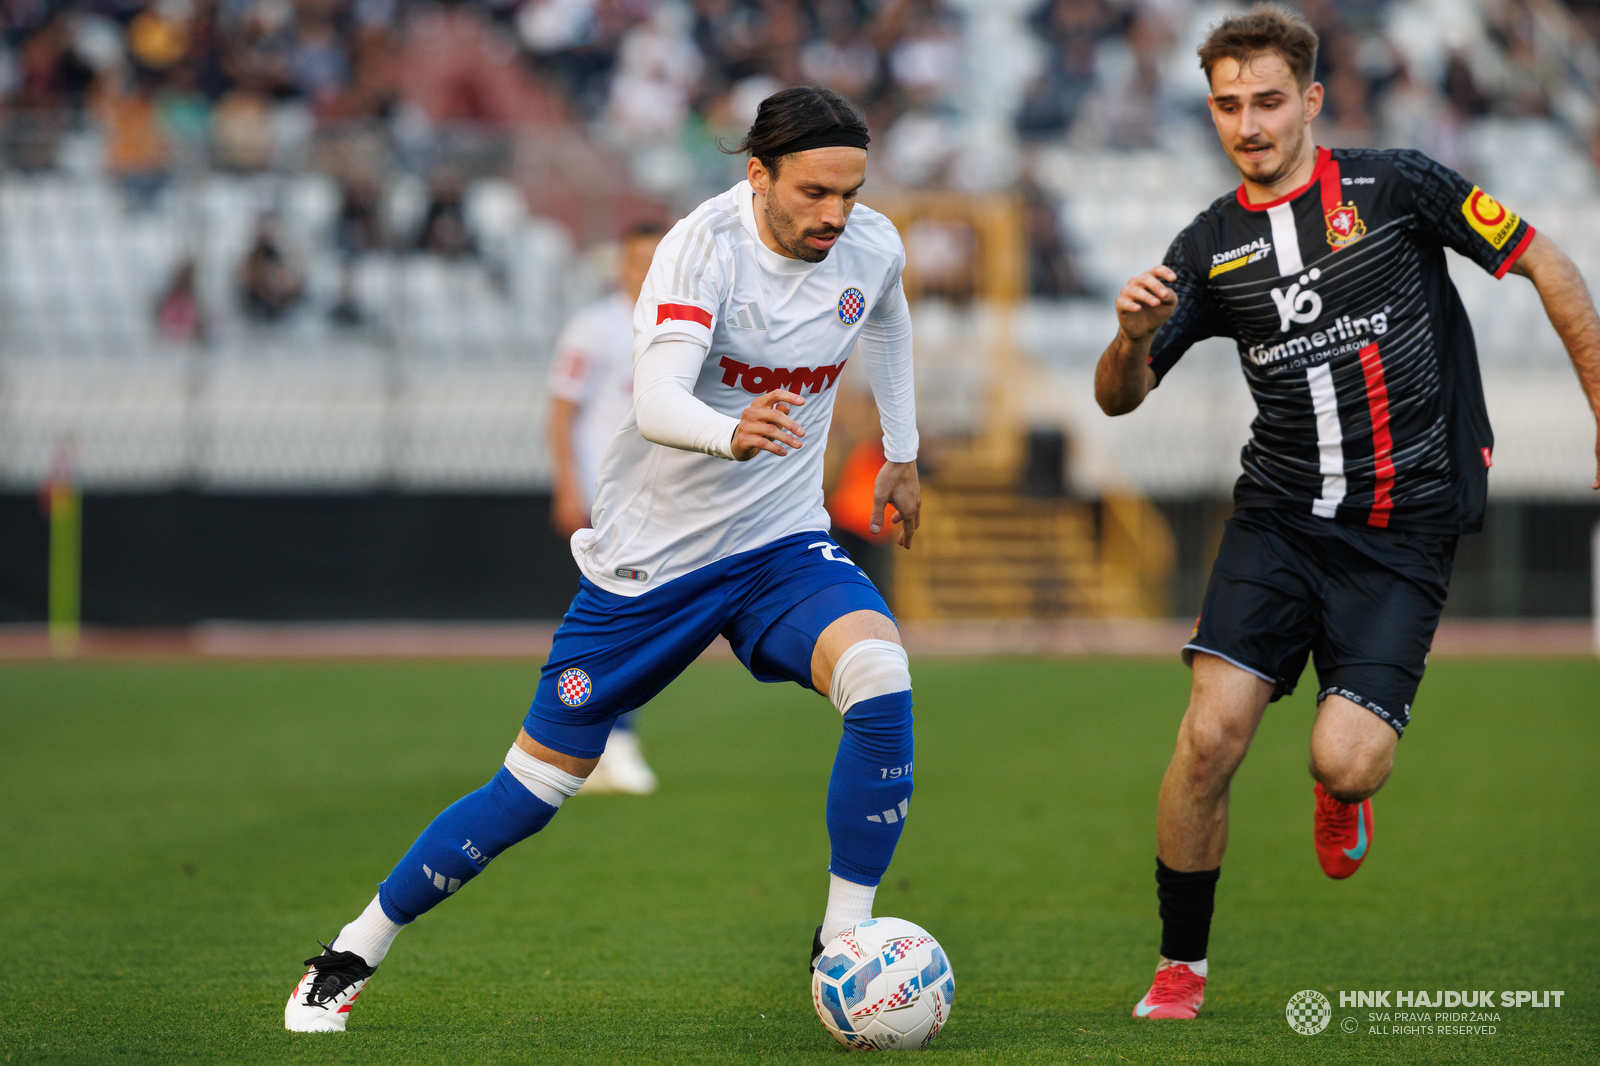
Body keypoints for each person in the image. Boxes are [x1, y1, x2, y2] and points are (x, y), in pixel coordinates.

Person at [285, 84, 923, 1032]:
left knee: (879, 678)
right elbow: (659, 397)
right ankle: (352, 949)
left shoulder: (868, 244)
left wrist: (903, 452)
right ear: (758, 175)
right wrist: (728, 432)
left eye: (851, 192)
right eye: (815, 193)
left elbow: (887, 316)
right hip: (649, 570)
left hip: (780, 544)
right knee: (532, 792)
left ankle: (842, 946)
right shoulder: (699, 250)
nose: (837, 214)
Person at [1094, 5, 1600, 1021]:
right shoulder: (1208, 246)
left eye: (1268, 100)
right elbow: (1119, 395)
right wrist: (1127, 334)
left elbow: (1546, 261)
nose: (1249, 122)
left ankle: (1338, 792)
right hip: (1277, 517)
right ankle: (1179, 966)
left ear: (1311, 100)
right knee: (1207, 739)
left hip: (1402, 527)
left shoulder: (1396, 186)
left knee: (1348, 761)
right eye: (1228, 105)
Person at [546, 221, 668, 794]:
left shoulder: (682, 321)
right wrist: (567, 485)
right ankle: (609, 741)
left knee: (637, 619)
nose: (645, 270)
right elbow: (561, 411)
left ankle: (584, 737)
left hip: (665, 497)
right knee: (628, 618)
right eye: (636, 259)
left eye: (654, 259)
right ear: (620, 266)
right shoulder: (594, 328)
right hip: (609, 497)